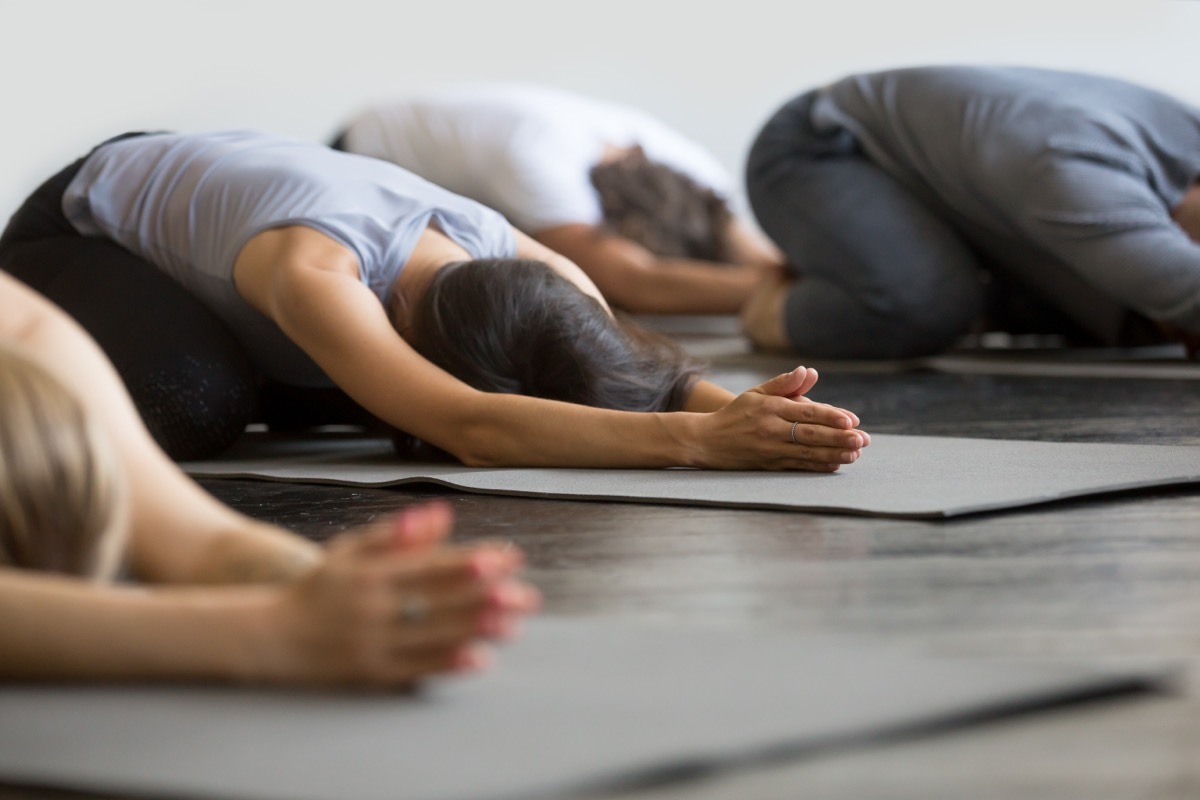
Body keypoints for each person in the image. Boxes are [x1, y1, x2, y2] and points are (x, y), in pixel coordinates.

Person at [0, 130, 869, 468]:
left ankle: (317, 372)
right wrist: (698, 442)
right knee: (199, 404)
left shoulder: (539, 266)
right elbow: (473, 425)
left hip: (245, 240)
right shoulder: (317, 271)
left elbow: (619, 367)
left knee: (347, 385)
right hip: (79, 229)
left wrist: (750, 409)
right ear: (412, 328)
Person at [0, 270, 539, 686]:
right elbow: (475, 427)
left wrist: (348, 591)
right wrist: (271, 632)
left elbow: (203, 541)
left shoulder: (33, 339)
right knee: (200, 394)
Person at [741, 65, 1200, 360]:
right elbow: (1187, 289)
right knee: (923, 307)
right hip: (821, 146)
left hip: (965, 186)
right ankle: (772, 309)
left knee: (1130, 313)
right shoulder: (1075, 169)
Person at [332, 84, 786, 314]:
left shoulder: (692, 168)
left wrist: (794, 274)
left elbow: (748, 251)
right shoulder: (540, 164)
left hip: (478, 155)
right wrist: (796, 298)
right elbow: (633, 279)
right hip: (361, 156)